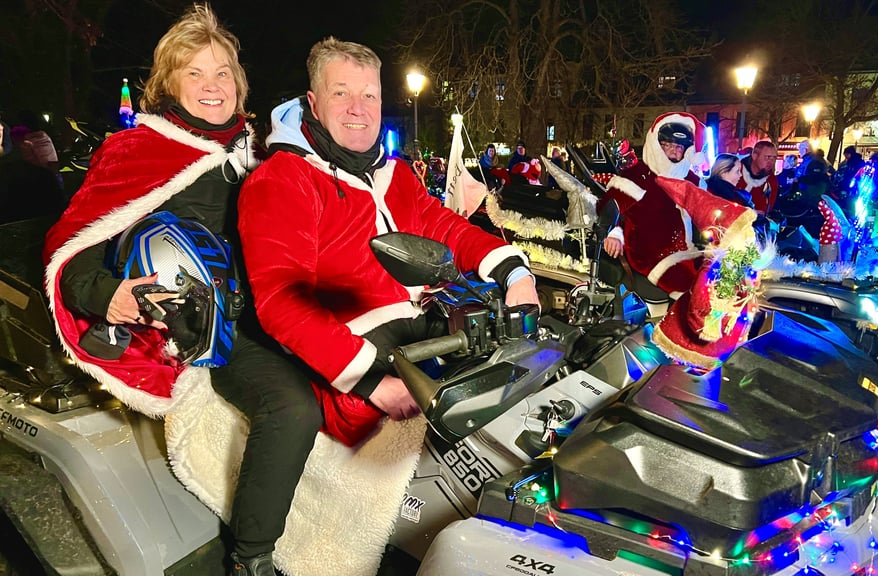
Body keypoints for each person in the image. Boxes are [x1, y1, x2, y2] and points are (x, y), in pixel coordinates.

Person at [41, 6, 321, 576]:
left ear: (239, 83)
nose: (211, 85)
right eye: (194, 73)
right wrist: (109, 295)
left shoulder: (266, 151)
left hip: (283, 307)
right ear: (168, 83)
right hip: (213, 330)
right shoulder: (138, 152)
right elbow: (76, 250)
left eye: (222, 72)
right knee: (293, 407)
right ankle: (251, 557)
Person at [236, 38, 539, 446]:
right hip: (354, 359)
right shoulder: (282, 179)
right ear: (313, 102)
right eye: (340, 93)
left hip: (423, 333)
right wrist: (372, 381)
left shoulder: (395, 174)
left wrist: (515, 273)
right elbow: (282, 303)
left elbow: (445, 227)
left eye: (369, 95)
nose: (357, 108)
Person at [600, 112, 758, 369]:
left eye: (679, 147)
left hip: (689, 250)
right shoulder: (637, 176)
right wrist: (614, 233)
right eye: (668, 145)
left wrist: (730, 231)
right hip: (652, 253)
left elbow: (710, 211)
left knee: (725, 279)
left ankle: (721, 344)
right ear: (656, 143)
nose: (674, 151)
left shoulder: (691, 179)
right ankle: (685, 349)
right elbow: (610, 207)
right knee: (696, 288)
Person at [735, 140, 778, 214]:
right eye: (767, 157)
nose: (771, 161)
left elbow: (767, 209)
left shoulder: (771, 181)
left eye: (774, 158)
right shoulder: (736, 171)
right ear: (755, 156)